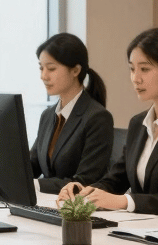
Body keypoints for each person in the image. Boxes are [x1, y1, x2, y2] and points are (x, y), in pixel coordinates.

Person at [58, 28, 158, 219]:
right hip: (141, 227)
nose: (136, 78)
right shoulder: (138, 123)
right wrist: (83, 191)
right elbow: (116, 180)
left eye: (145, 69)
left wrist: (125, 201)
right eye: (132, 69)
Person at [30, 33, 113, 194]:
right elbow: (32, 165)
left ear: (75, 70)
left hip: (76, 209)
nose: (43, 76)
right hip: (47, 205)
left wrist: (37, 185)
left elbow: (85, 181)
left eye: (51, 68)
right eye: (41, 68)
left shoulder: (97, 118)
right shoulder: (47, 115)